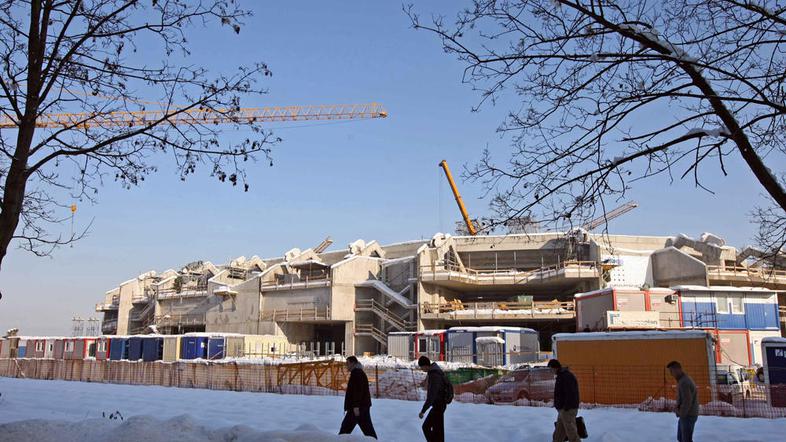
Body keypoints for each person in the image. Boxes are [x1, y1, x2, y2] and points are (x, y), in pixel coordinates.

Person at [339, 356, 377, 439]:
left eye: (347, 363)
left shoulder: (357, 374)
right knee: (368, 430)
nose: (346, 366)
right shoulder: (357, 372)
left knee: (345, 430)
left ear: (353, 363)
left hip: (357, 408)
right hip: (361, 407)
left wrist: (356, 406)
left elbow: (358, 391)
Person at [548, 359, 580, 442]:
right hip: (563, 410)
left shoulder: (566, 376)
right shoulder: (561, 376)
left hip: (568, 409)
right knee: (558, 434)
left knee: (571, 433)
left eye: (551, 369)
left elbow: (571, 393)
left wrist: (566, 407)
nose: (550, 371)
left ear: (555, 367)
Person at [667, 361, 698, 442]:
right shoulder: (682, 380)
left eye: (671, 371)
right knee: (681, 438)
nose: (671, 374)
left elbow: (687, 402)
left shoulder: (684, 382)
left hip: (688, 416)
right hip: (686, 415)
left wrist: (681, 413)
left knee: (686, 440)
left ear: (678, 369)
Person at [418, 356, 447, 442]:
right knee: (436, 432)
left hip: (439, 405)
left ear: (425, 365)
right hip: (438, 405)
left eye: (421, 367)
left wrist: (423, 411)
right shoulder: (433, 371)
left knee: (428, 428)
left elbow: (432, 396)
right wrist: (424, 383)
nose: (421, 369)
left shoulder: (434, 375)